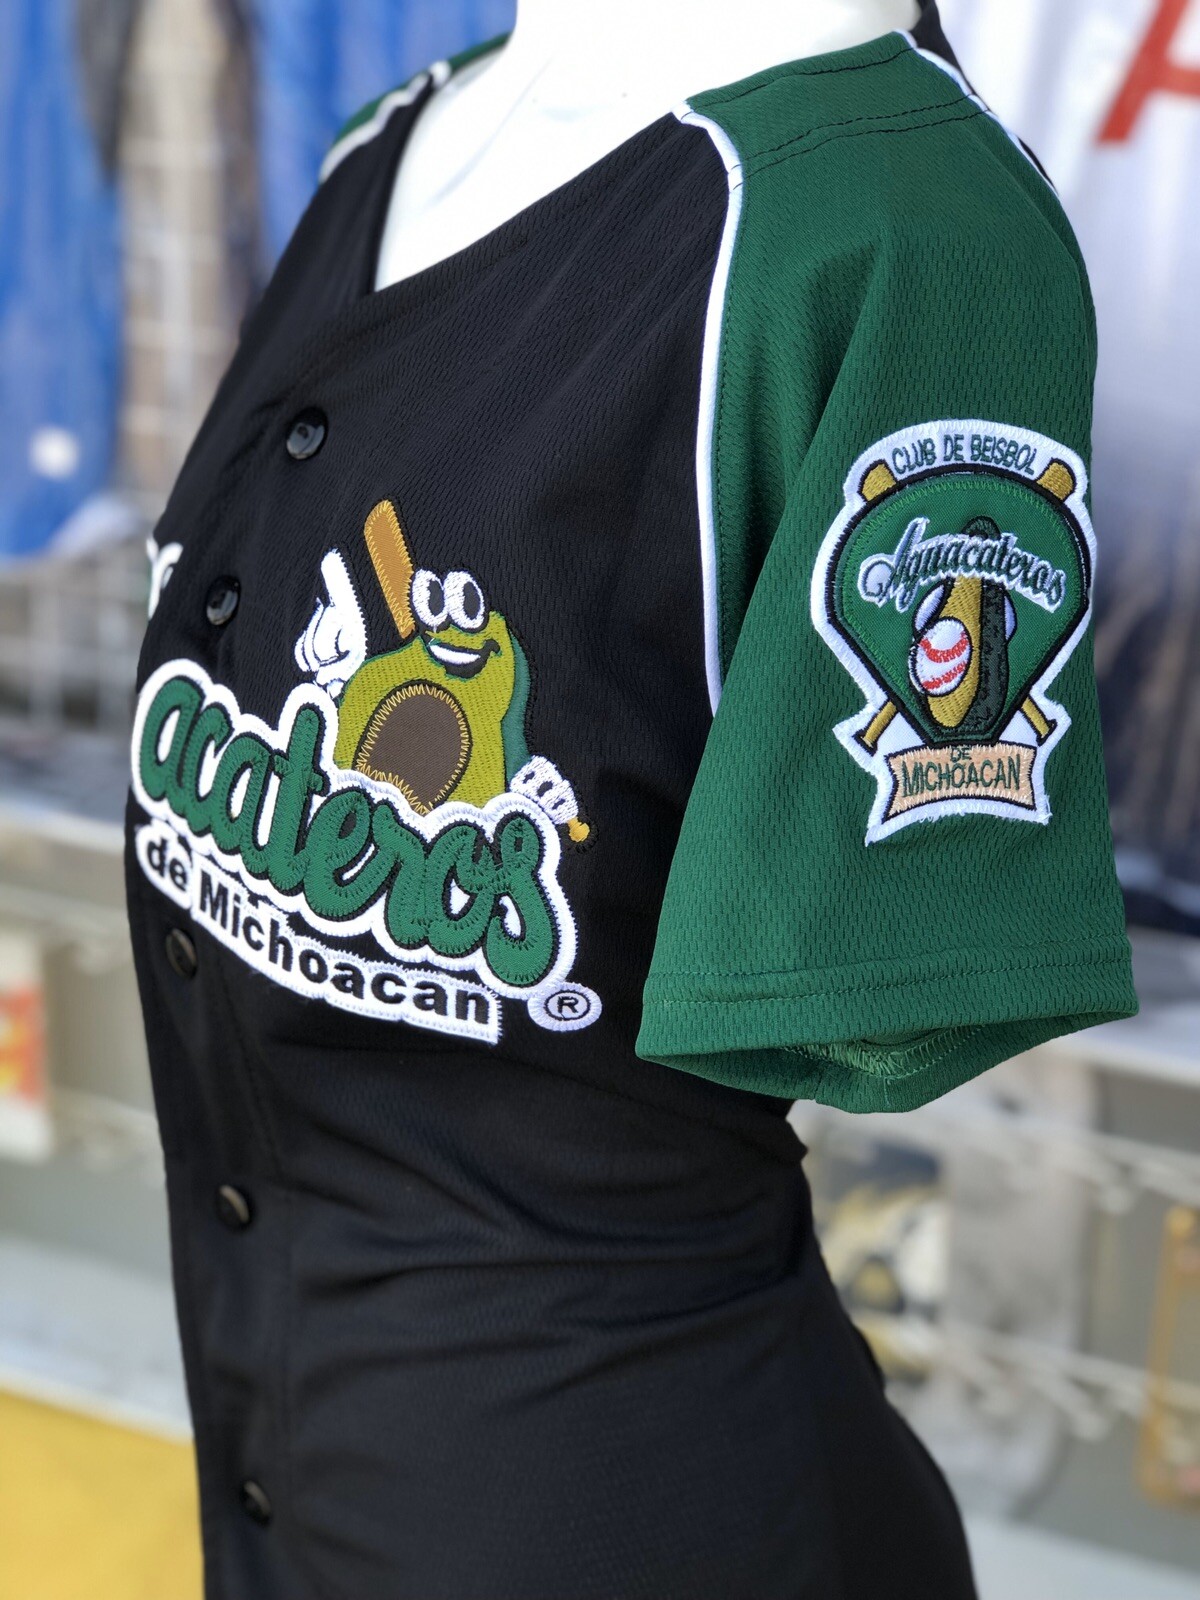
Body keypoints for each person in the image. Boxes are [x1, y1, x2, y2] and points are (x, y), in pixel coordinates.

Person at [127, 1, 1137, 1595]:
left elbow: (877, 988)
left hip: (634, 1510)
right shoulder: (388, 144)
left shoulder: (894, 229)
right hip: (286, 1487)